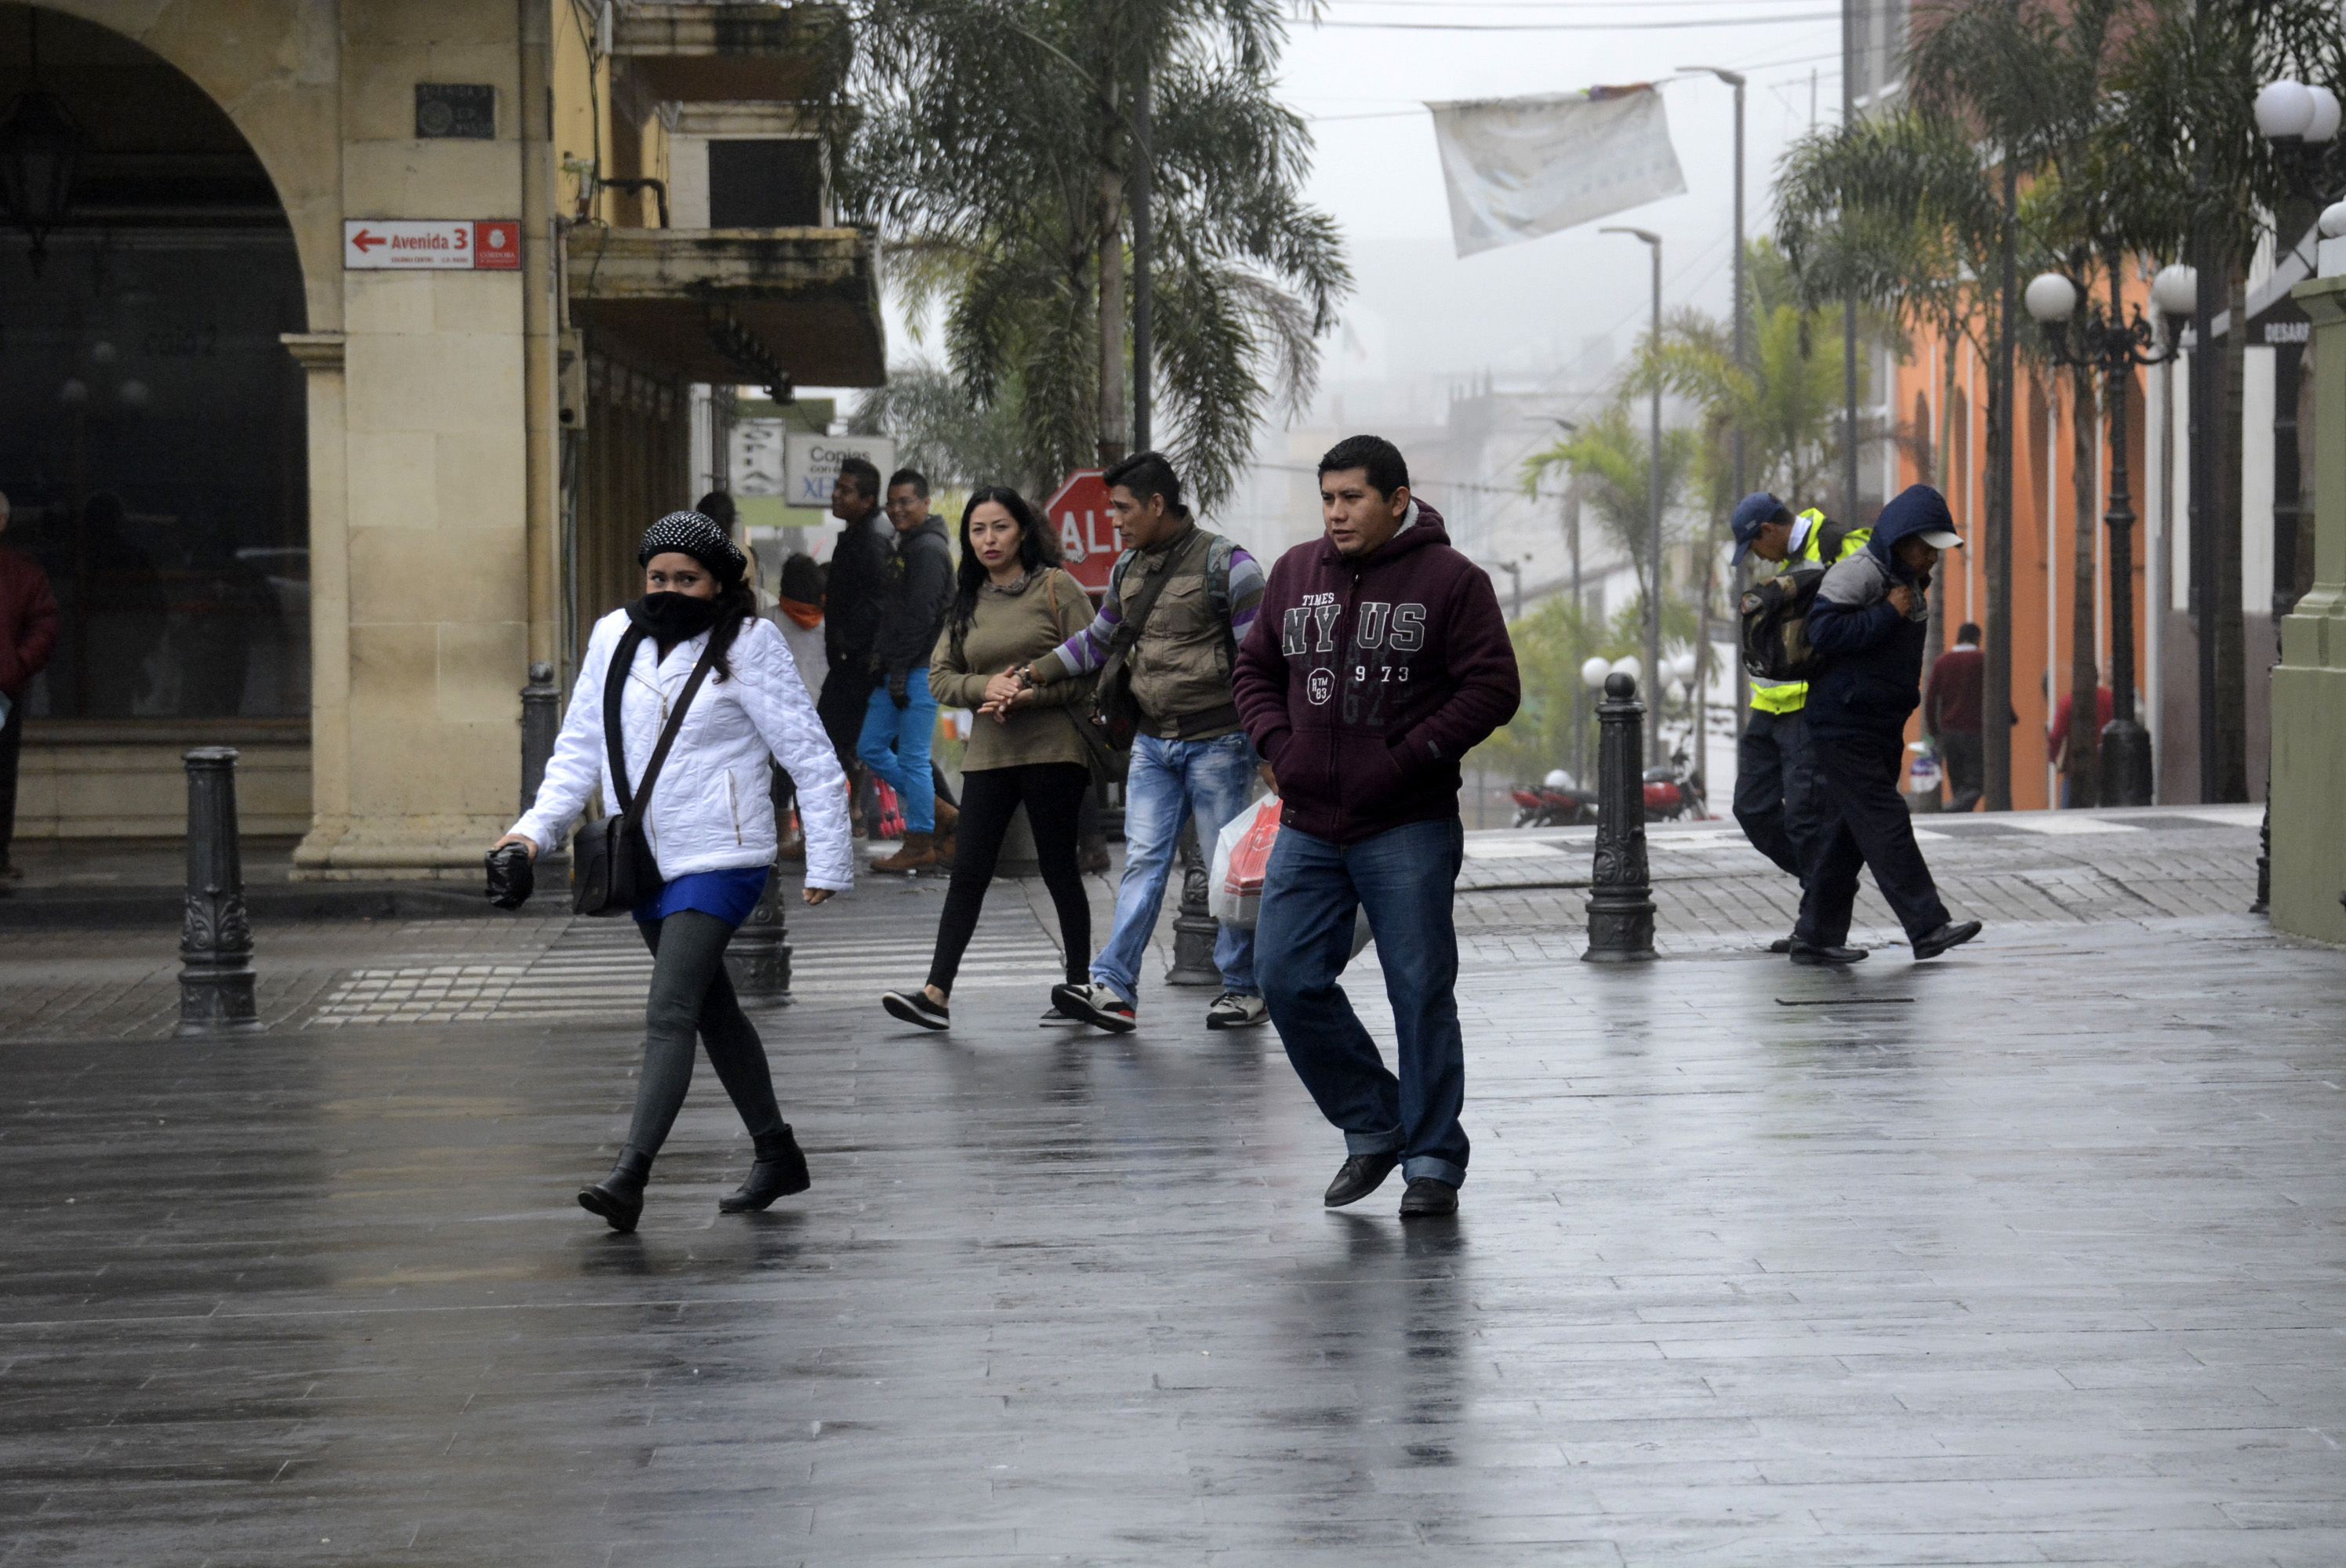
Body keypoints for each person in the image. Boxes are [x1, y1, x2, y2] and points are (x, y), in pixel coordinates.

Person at [495, 511, 852, 1233]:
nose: (668, 590)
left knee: (669, 1010)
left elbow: (809, 754)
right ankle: (777, 1152)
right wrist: (529, 837)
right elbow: (578, 752)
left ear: (718, 584)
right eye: (657, 577)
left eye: (686, 579)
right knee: (712, 1010)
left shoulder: (752, 644)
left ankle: (630, 1176)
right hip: (646, 861)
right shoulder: (612, 637)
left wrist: (828, 856)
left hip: (725, 854)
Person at [1234, 435, 1520, 1219]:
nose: (1336, 513)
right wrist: (1276, 745)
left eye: (1352, 497)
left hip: (1407, 823)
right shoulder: (1295, 573)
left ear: (1397, 499)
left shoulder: (1452, 581)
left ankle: (1432, 1159)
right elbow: (1254, 667)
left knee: (1419, 990)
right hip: (1308, 825)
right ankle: (1374, 1120)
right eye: (1327, 497)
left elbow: (1493, 686)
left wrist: (1403, 757)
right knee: (1285, 976)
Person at [1018, 451, 1271, 1033]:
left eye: (1123, 508)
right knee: (1144, 865)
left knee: (1224, 870)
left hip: (1219, 744)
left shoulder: (1229, 566)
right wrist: (1033, 674)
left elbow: (1260, 664)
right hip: (1154, 745)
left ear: (1158, 504)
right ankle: (1115, 987)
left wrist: (1268, 749)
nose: (1114, 520)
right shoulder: (1127, 570)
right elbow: (1098, 642)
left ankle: (1244, 988)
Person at [880, 488, 1095, 1030]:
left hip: (1053, 750)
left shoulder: (1057, 589)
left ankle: (1077, 985)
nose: (989, 540)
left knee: (1058, 866)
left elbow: (1094, 668)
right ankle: (936, 993)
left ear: (1022, 530)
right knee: (968, 871)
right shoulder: (967, 600)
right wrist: (987, 687)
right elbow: (940, 677)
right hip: (989, 755)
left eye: (999, 528)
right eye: (978, 530)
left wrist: (1030, 695)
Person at [1793, 485, 1985, 967]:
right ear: (1900, 539)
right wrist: (1885, 613)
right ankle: (1927, 926)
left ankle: (1814, 937)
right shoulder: (1859, 572)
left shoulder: (1909, 580)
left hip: (1877, 725)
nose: (1931, 561)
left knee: (1847, 834)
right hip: (1843, 723)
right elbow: (1825, 633)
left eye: (1937, 552)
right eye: (1925, 549)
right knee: (1886, 822)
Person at [1727, 492, 1871, 949]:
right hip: (1767, 710)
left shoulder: (1838, 546)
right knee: (1752, 809)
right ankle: (1829, 884)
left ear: (1768, 531)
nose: (1756, 557)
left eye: (1754, 546)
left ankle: (1821, 928)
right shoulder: (1792, 562)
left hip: (1810, 709)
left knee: (1809, 820)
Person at [862, 469, 956, 873]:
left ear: (926, 503)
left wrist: (899, 666)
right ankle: (944, 815)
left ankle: (919, 842)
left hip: (919, 669)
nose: (897, 509)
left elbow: (922, 616)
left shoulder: (929, 550)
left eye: (906, 502)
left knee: (915, 759)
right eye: (892, 502)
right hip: (896, 667)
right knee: (870, 747)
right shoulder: (907, 546)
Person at [816, 458, 891, 837]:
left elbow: (878, 602)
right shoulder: (858, 535)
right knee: (862, 747)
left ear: (867, 500)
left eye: (845, 490)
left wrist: (850, 646)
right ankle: (847, 818)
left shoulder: (870, 540)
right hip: (852, 664)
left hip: (858, 667)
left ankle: (944, 821)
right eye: (837, 487)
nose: (836, 494)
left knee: (824, 742)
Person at [0, 490, 60, 879]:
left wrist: (17, 667)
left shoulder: (22, 573)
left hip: (2, 693)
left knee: (1, 777)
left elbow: (46, 624)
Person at [772, 552, 828, 861]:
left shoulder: (770, 619)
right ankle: (814, 838)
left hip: (782, 710)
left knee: (783, 775)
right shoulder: (829, 623)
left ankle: (784, 836)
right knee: (816, 778)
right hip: (822, 709)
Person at [1923, 622, 1986, 813]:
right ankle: (1954, 811)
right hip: (1975, 730)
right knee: (1977, 781)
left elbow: (1931, 698)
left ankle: (1958, 814)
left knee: (1957, 780)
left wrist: (1934, 729)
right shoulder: (1983, 660)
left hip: (1949, 730)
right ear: (1977, 638)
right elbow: (1995, 692)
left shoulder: (1943, 662)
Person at [2049, 682, 2114, 807]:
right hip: (2105, 767)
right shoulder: (2109, 698)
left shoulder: (2067, 702)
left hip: (2075, 769)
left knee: (2070, 817)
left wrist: (2053, 757)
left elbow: (2056, 736)